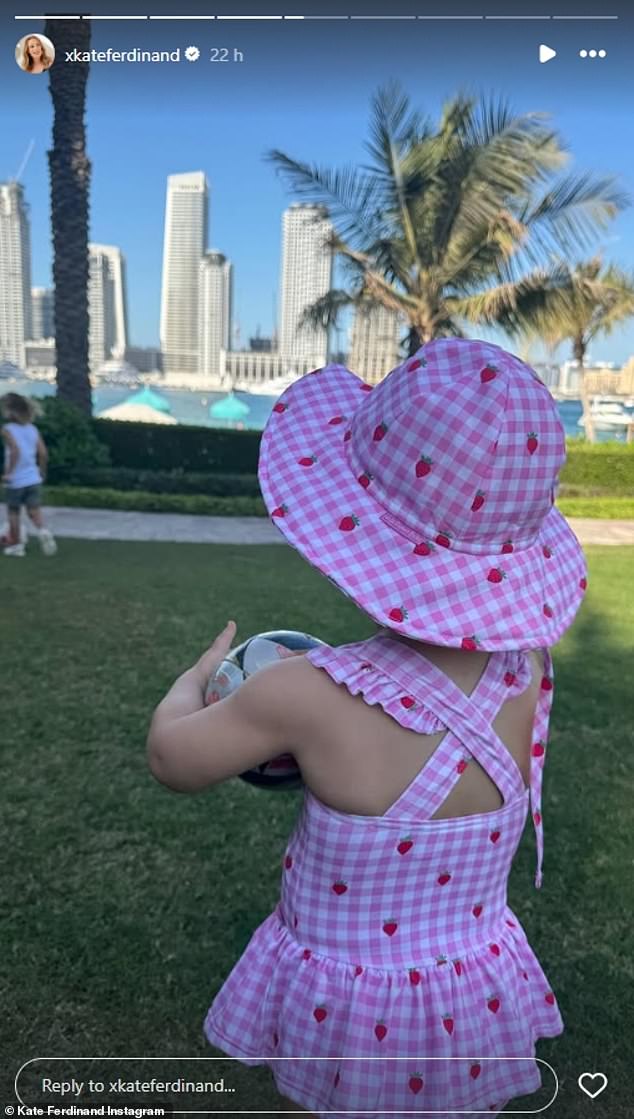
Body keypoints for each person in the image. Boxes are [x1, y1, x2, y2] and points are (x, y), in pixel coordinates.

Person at [146, 339, 587, 1118]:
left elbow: (172, 759)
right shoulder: (524, 673)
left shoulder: (301, 693)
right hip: (470, 982)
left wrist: (195, 678)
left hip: (349, 1007)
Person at [1, 393, 57, 558]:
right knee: (34, 510)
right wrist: (42, 471)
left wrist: (8, 473)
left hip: (16, 480)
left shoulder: (7, 430)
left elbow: (15, 452)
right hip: (33, 478)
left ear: (11, 412)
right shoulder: (33, 429)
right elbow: (43, 453)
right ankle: (43, 531)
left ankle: (16, 545)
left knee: (13, 512)